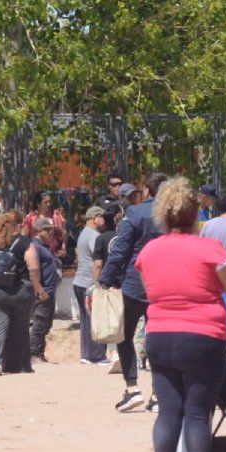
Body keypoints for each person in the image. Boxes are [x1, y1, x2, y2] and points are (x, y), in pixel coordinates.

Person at [134, 177, 226, 452]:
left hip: (159, 334)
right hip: (203, 335)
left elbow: (151, 291)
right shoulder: (209, 249)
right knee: (198, 410)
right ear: (194, 214)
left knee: (168, 411)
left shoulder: (149, 251)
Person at [100, 172, 168, 412]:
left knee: (124, 335)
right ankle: (159, 394)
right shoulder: (174, 216)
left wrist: (105, 279)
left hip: (134, 284)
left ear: (146, 190)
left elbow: (120, 250)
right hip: (165, 286)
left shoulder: (135, 213)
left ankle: (132, 388)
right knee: (159, 338)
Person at [0, 210, 47, 376]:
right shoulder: (24, 242)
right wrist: (37, 287)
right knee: (20, 329)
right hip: (20, 290)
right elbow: (33, 267)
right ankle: (20, 365)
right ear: (16, 226)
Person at [91, 202, 124, 370]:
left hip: (108, 283)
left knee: (110, 321)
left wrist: (97, 284)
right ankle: (129, 354)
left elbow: (98, 264)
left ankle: (115, 354)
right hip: (125, 282)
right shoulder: (123, 235)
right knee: (127, 321)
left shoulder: (101, 239)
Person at [73, 206, 107, 364]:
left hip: (79, 281)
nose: (104, 220)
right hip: (89, 282)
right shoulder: (94, 235)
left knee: (85, 320)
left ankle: (86, 354)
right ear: (95, 218)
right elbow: (98, 260)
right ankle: (97, 355)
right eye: (101, 217)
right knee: (96, 318)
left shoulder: (83, 233)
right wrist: (98, 283)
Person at [29, 216, 63, 364]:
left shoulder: (43, 247)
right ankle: (33, 354)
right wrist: (40, 290)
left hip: (49, 292)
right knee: (39, 324)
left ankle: (39, 353)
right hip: (43, 293)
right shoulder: (35, 246)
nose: (51, 234)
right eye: (48, 231)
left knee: (46, 325)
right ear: (40, 231)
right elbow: (33, 270)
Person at [23, 191, 68, 259]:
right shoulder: (30, 218)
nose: (49, 204)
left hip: (52, 255)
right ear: (38, 204)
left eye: (49, 201)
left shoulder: (55, 216)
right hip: (35, 255)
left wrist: (63, 249)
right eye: (46, 202)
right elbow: (24, 236)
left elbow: (64, 233)